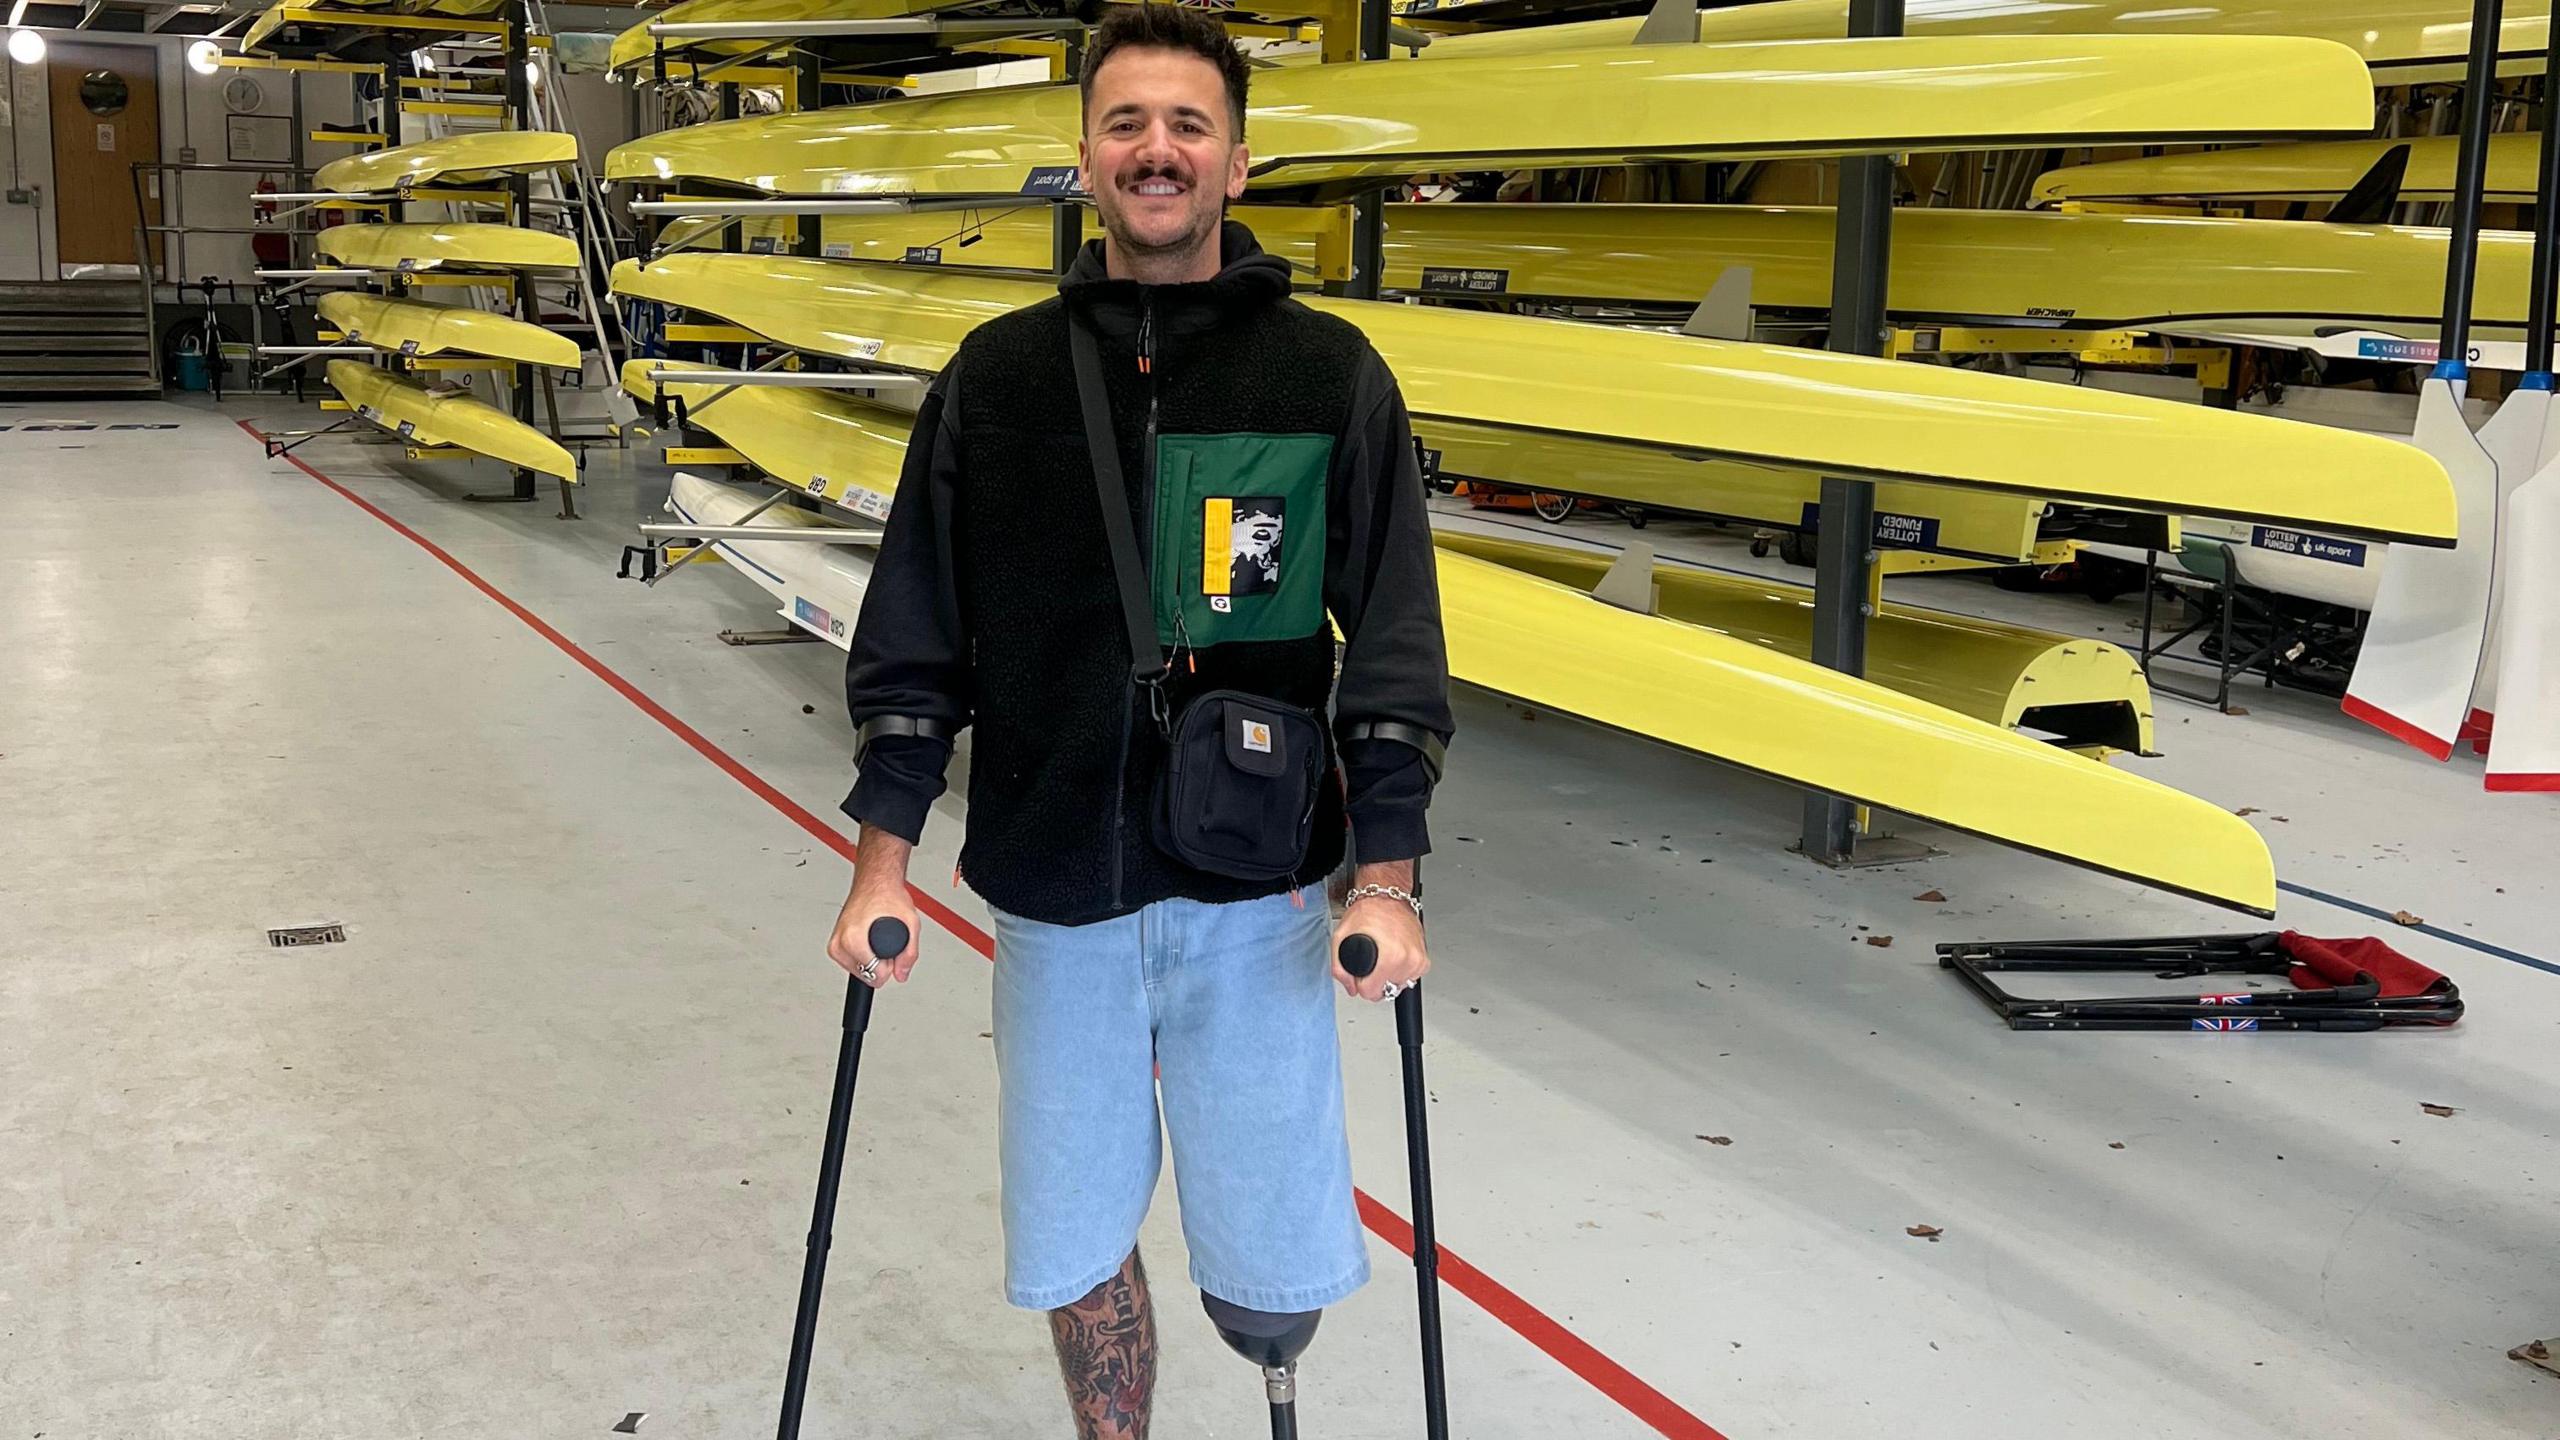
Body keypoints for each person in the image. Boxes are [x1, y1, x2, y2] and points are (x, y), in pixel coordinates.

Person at [822, 6, 1454, 1435]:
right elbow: (916, 641)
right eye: (1125, 123)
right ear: (1087, 159)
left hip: (1267, 889)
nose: (1155, 149)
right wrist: (881, 869)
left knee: (1268, 1263)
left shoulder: (1328, 374)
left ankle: (1270, 1375)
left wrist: (1389, 875)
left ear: (1238, 162)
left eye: (1187, 125)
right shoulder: (995, 380)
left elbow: (1397, 644)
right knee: (1076, 1229)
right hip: (1057, 888)